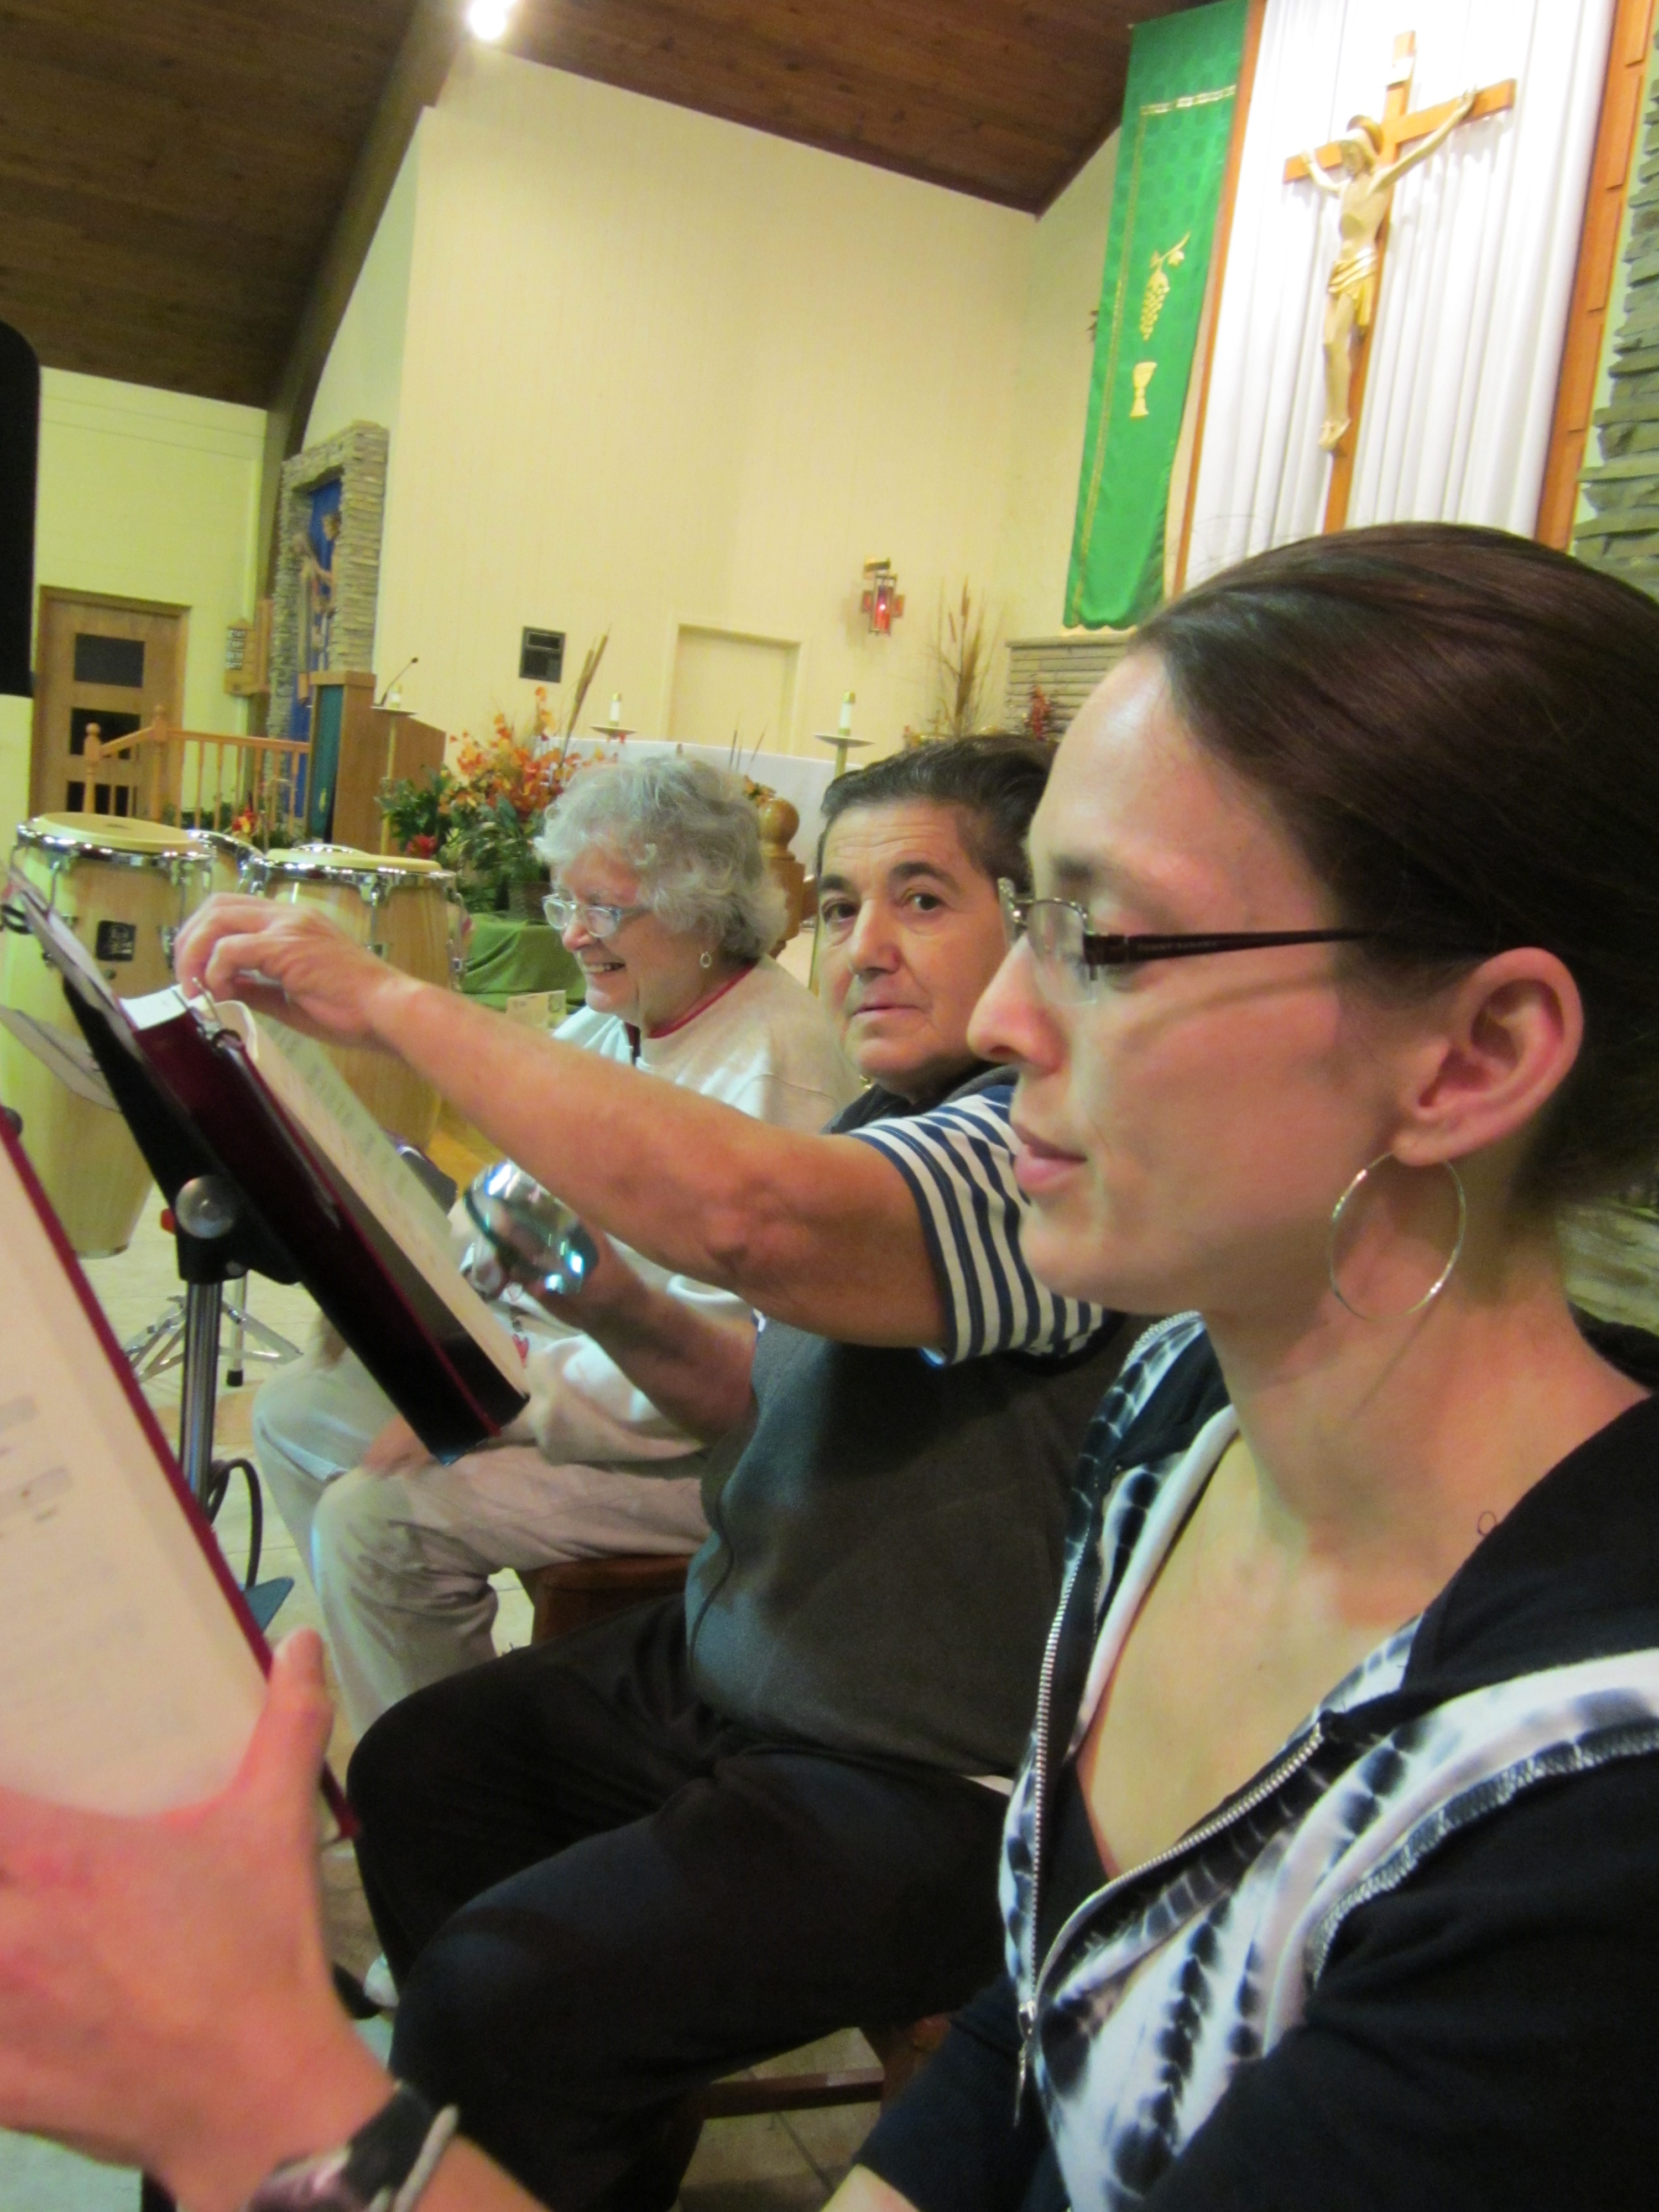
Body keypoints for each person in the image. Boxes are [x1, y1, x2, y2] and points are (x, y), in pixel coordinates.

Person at [175, 736, 1129, 2211]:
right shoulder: (898, 1114)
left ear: (1042, 923)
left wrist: (385, 999)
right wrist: (611, 1301)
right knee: (425, 1772)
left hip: (926, 1772)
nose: (865, 946)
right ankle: (575, 2128)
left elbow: (755, 1220)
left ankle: (530, 2086)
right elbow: (750, 1392)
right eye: (844, 905)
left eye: (924, 899)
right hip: (742, 1673)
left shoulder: (1053, 1148)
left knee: (501, 1988)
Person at [831, 523, 1659, 2211]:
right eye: (1033, 911)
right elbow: (1036, 2020)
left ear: (1474, 1055)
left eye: (1105, 938)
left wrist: (334, 2137)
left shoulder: (1593, 1790)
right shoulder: (1179, 1415)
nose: (999, 1020)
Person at [252, 754, 859, 1731]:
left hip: (707, 1448)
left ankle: (446, 1780)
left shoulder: (776, 1067)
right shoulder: (626, 1017)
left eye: (604, 909)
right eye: (564, 902)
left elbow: (729, 1371)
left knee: (376, 1519)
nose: (573, 934)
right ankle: (405, 1710)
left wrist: (502, 1406)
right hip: (564, 1364)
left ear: (703, 915)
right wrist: (411, 1302)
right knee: (296, 1412)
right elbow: (511, 1193)